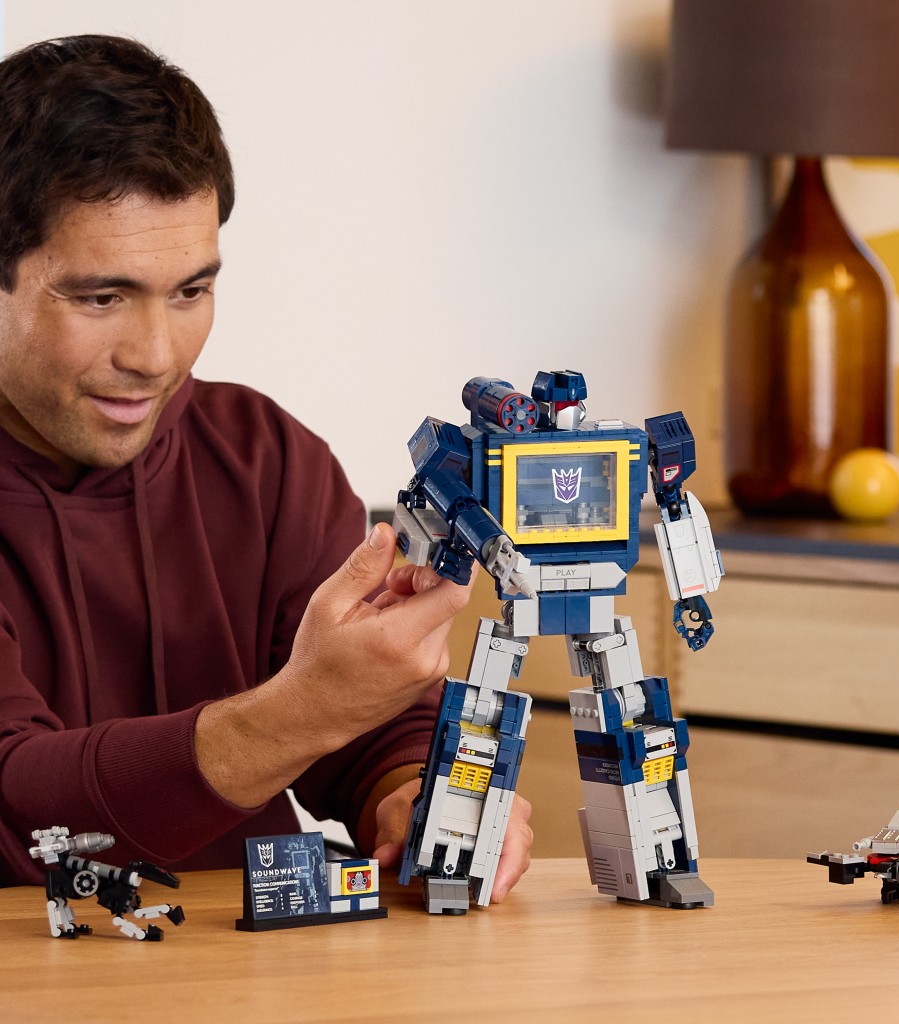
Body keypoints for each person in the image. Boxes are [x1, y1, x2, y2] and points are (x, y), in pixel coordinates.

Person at [0, 34, 532, 891]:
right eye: (101, 297)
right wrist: (300, 711)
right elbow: (18, 810)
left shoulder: (264, 456)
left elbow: (364, 729)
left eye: (191, 290)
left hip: (252, 956)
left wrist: (413, 794)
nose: (155, 355)